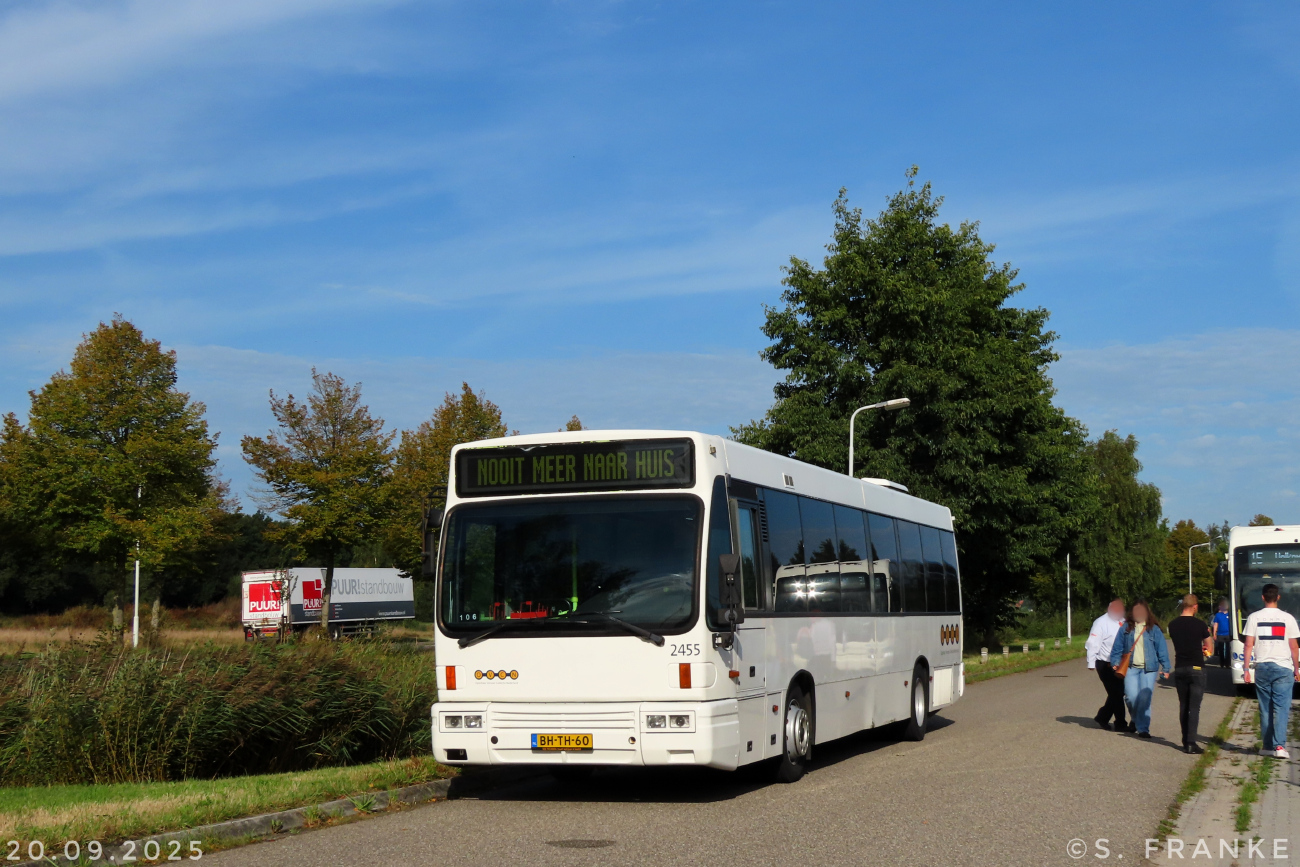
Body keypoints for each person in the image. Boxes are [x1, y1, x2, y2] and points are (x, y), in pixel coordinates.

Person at [1241, 583, 1300, 759]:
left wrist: (1246, 669)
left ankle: (1267, 746)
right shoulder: (1288, 618)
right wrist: (1297, 667)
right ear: (1278, 597)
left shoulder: (1253, 617)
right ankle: (1280, 746)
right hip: (1283, 667)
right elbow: (1294, 646)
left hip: (1262, 667)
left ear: (1262, 597)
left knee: (1265, 708)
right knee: (1282, 708)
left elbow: (1248, 645)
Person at [1109, 599, 1170, 739]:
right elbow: (1117, 647)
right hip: (1130, 668)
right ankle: (1136, 719)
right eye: (1136, 611)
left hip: (1149, 669)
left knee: (1144, 698)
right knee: (1130, 697)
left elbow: (1162, 650)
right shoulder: (1126, 628)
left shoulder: (1153, 629)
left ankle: (1143, 729)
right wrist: (1115, 661)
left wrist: (1166, 668)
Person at [1167, 594, 1215, 753]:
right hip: (1196, 668)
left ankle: (1184, 740)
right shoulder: (1200, 624)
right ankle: (1191, 742)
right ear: (1195, 607)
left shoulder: (1172, 625)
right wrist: (1206, 651)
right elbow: (1209, 647)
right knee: (1194, 707)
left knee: (1183, 705)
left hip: (1180, 668)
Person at [1085, 598, 1128, 731]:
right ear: (1110, 609)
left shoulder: (1123, 622)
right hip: (1104, 663)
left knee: (1119, 692)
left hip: (1120, 663)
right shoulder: (1101, 623)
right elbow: (1093, 643)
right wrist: (1091, 662)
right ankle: (1120, 723)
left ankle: (1103, 716)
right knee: (1116, 693)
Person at [1211, 598, 1232, 667]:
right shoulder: (1218, 615)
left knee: (1228, 650)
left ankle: (1227, 664)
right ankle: (1222, 663)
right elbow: (1215, 624)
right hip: (1220, 634)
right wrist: (1214, 634)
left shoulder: (1231, 614)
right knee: (1221, 650)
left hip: (1228, 634)